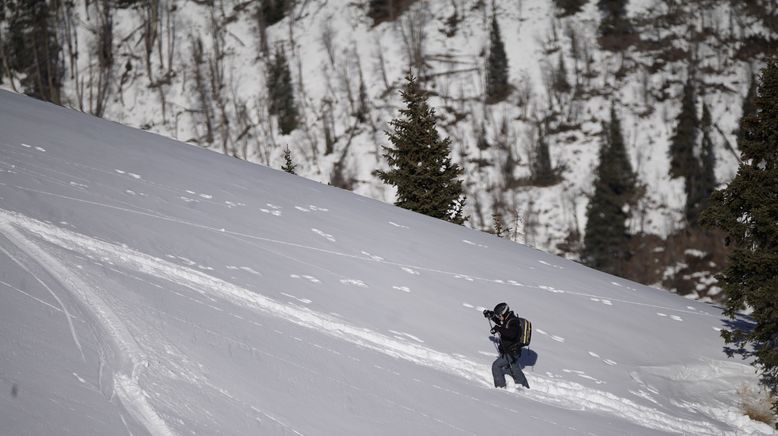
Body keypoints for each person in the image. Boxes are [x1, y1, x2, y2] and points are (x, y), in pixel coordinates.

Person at [483, 302, 530, 389]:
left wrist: (498, 329)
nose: (498, 317)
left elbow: (511, 334)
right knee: (514, 369)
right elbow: (501, 323)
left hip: (512, 352)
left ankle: (500, 388)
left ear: (504, 313)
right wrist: (491, 315)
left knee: (496, 366)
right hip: (510, 351)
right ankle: (524, 387)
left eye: (499, 315)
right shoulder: (507, 319)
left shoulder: (513, 322)